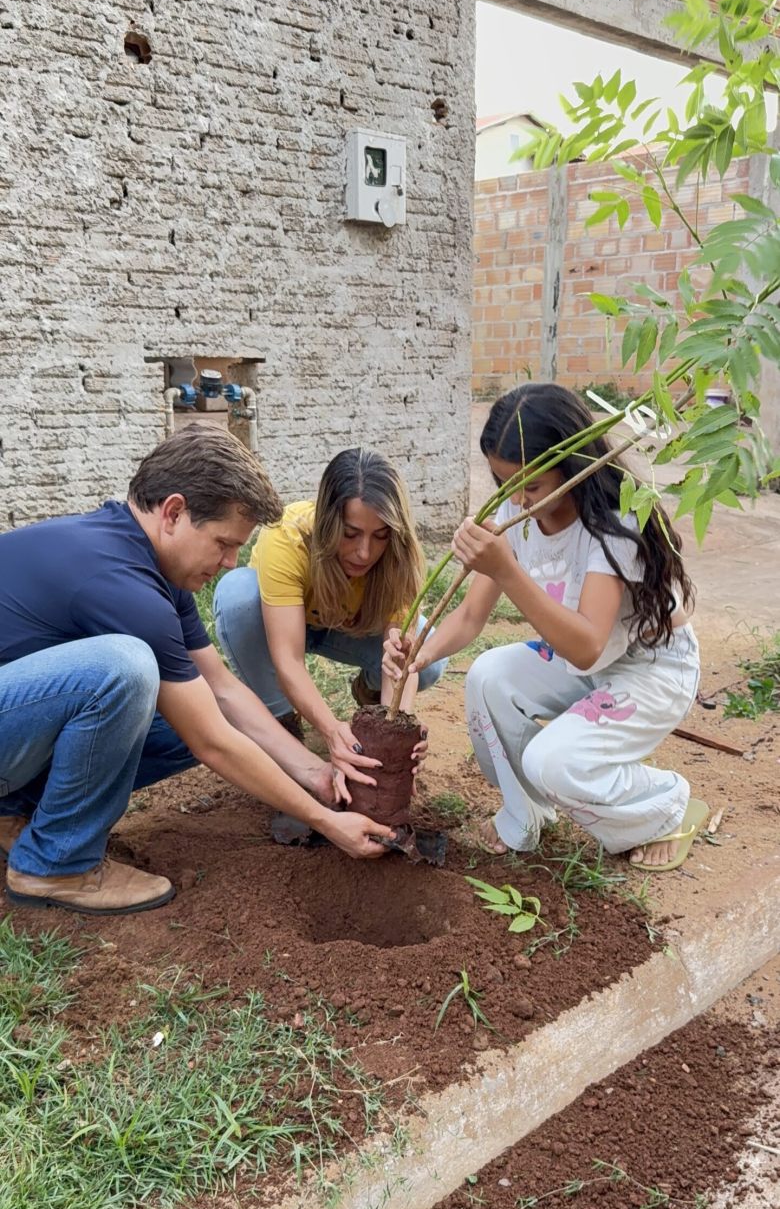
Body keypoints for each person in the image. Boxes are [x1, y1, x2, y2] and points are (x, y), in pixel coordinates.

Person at [0, 424, 394, 918]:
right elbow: (212, 742)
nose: (230, 563)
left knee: (189, 710)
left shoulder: (152, 568)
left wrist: (315, 775)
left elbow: (222, 691)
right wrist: (325, 820)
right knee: (124, 669)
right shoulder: (122, 584)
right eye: (223, 543)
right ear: (173, 512)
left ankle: (14, 810)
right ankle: (57, 863)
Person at [384, 382, 708, 873]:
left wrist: (506, 569)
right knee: (487, 676)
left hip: (651, 669)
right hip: (588, 663)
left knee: (552, 763)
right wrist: (421, 653)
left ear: (572, 467)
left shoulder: (615, 522)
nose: (518, 499)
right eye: (504, 483)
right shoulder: (515, 513)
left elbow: (587, 646)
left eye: (531, 486)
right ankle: (526, 814)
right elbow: (470, 616)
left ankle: (665, 805)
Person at [213, 447, 446, 800]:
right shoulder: (288, 536)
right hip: (277, 625)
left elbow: (399, 660)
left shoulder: (400, 557)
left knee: (428, 659)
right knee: (237, 596)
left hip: (347, 628)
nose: (365, 552)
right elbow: (288, 660)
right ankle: (283, 727)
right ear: (328, 522)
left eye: (380, 535)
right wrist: (331, 729)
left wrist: (396, 737)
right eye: (350, 534)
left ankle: (370, 705)